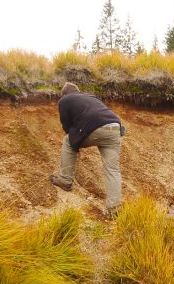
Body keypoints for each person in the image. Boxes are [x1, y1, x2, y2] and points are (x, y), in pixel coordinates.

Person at [50, 82, 125, 213]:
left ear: (64, 94)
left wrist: (75, 142)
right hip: (115, 128)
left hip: (95, 127)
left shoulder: (64, 100)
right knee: (112, 169)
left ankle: (65, 180)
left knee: (67, 141)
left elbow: (67, 127)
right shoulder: (91, 97)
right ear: (78, 91)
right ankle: (114, 208)